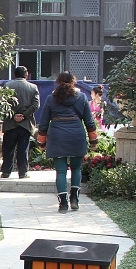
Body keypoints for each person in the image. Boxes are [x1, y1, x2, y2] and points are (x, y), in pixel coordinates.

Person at [37, 71, 98, 213]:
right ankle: (74, 199)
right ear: (73, 81)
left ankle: (63, 204)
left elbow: (43, 123)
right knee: (76, 169)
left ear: (58, 82)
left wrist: (41, 143)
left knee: (61, 172)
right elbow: (89, 121)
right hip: (76, 136)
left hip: (57, 137)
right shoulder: (81, 97)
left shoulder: (51, 98)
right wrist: (93, 140)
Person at [1, 65, 40, 178]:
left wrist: (13, 115)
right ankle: (23, 172)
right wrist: (24, 115)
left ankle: (6, 172)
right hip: (25, 124)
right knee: (23, 149)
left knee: (8, 148)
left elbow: (2, 104)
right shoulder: (33, 87)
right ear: (26, 75)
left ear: (14, 75)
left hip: (10, 123)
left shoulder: (7, 86)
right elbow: (36, 105)